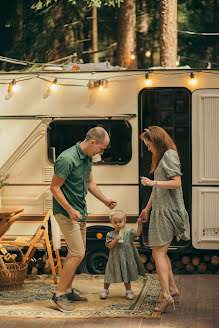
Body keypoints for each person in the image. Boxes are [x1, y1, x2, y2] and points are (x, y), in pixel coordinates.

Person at [50, 127, 117, 312]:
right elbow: (54, 188)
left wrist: (105, 200)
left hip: (80, 212)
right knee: (78, 253)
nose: (102, 153)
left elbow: (89, 183)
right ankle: (59, 295)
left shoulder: (87, 158)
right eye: (101, 149)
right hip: (66, 213)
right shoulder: (66, 159)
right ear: (93, 142)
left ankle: (68, 290)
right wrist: (70, 210)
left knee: (77, 253)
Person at [140, 126, 190, 313]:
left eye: (148, 145)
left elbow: (176, 183)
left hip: (168, 211)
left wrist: (153, 182)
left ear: (157, 142)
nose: (148, 148)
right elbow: (158, 189)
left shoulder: (169, 155)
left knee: (158, 254)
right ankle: (173, 289)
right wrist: (146, 209)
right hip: (160, 210)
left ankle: (165, 295)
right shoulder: (163, 156)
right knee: (160, 252)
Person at [100, 210, 145, 300]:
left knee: (126, 273)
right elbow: (109, 246)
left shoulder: (128, 232)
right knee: (109, 274)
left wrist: (139, 224)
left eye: (120, 222)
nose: (118, 224)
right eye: (115, 222)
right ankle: (105, 289)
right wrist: (116, 239)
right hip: (115, 259)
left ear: (125, 220)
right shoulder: (110, 234)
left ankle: (128, 291)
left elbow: (138, 233)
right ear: (112, 223)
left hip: (126, 257)